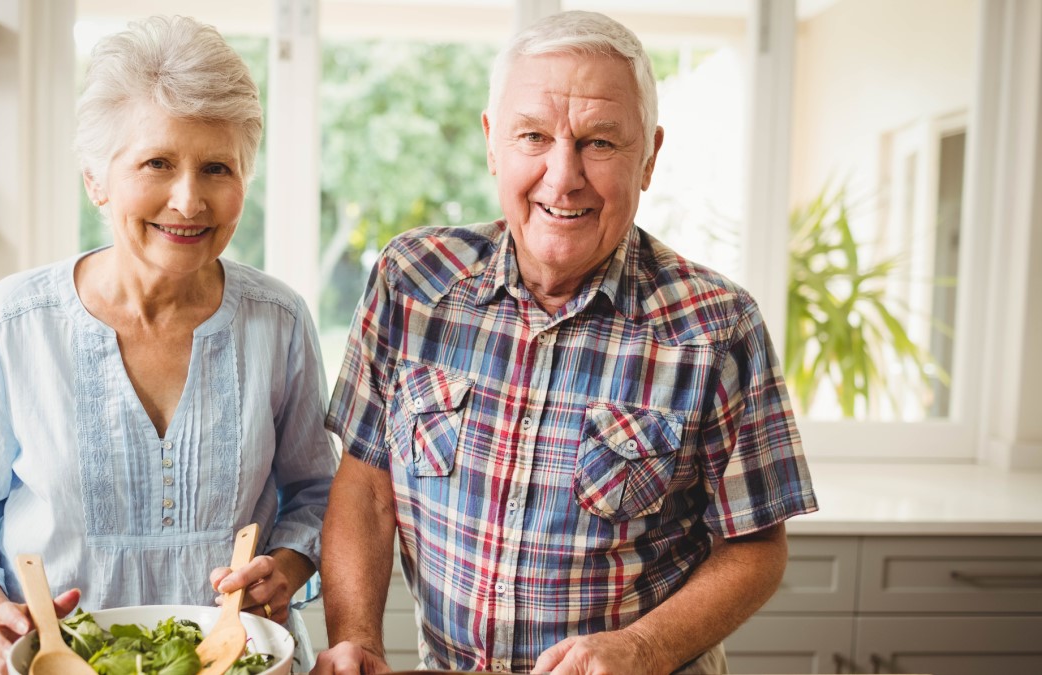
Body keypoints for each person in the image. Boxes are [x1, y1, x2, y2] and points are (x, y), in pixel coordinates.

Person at [312, 10, 817, 675]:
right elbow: (366, 490)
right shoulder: (412, 280)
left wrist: (644, 647)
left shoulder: (718, 327)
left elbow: (756, 548)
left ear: (650, 156)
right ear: (493, 142)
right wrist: (359, 641)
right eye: (534, 136)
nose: (562, 175)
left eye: (599, 143)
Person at [0, 15, 337, 674]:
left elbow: (317, 496)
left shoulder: (279, 321)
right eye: (157, 162)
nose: (188, 200)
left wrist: (288, 568)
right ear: (96, 179)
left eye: (217, 166)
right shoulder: (15, 323)